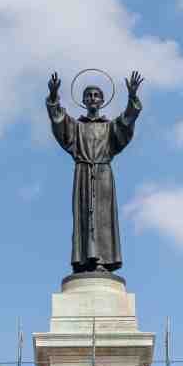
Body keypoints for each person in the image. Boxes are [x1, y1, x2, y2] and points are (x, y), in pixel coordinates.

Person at [46, 70, 143, 273]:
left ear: (102, 101)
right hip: (82, 173)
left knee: (103, 218)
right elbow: (59, 122)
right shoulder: (77, 127)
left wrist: (132, 97)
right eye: (89, 95)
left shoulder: (109, 127)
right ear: (83, 100)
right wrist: (54, 97)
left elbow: (126, 121)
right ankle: (83, 261)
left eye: (96, 95)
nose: (92, 98)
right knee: (83, 217)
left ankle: (103, 260)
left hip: (103, 174)